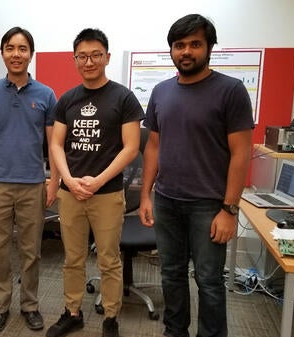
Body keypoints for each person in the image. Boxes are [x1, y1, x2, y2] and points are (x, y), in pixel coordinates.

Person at [139, 14, 254, 337]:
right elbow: (153, 147)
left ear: (209, 47)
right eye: (179, 45)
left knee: (209, 279)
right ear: (171, 50)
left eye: (194, 44)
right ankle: (175, 331)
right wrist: (146, 195)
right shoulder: (161, 92)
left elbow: (241, 154)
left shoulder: (230, 91)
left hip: (209, 204)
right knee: (171, 274)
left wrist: (229, 209)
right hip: (167, 200)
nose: (186, 51)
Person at [47, 28, 143, 337]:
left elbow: (131, 147)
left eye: (95, 55)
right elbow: (56, 145)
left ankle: (111, 318)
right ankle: (72, 311)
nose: (89, 62)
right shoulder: (67, 100)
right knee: (72, 259)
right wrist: (69, 180)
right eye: (82, 56)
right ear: (75, 59)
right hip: (71, 192)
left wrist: (98, 180)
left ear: (107, 57)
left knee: (108, 259)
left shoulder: (123, 97)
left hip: (107, 193)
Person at [0, 26, 59, 333]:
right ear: (3, 53)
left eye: (22, 49)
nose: (16, 54)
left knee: (31, 249)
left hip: (33, 183)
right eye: (10, 48)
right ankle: (0, 306)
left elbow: (54, 144)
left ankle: (30, 305)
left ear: (31, 54)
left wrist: (55, 181)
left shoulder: (46, 94)